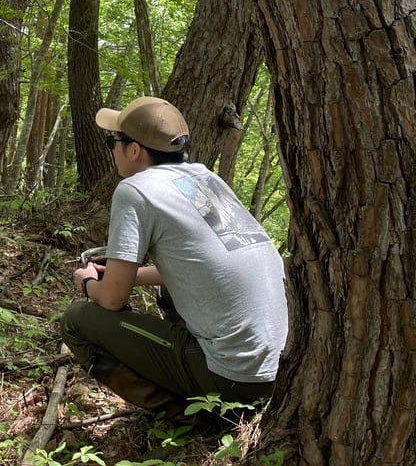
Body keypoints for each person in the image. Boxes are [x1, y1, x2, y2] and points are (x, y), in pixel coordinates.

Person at [61, 96, 288, 418]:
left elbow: (111, 300)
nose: (112, 149)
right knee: (168, 290)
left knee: (78, 320)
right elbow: (201, 264)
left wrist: (87, 284)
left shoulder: (136, 190)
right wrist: (132, 277)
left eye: (114, 141)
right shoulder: (206, 179)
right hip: (277, 368)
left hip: (234, 378)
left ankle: (194, 415)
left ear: (134, 149)